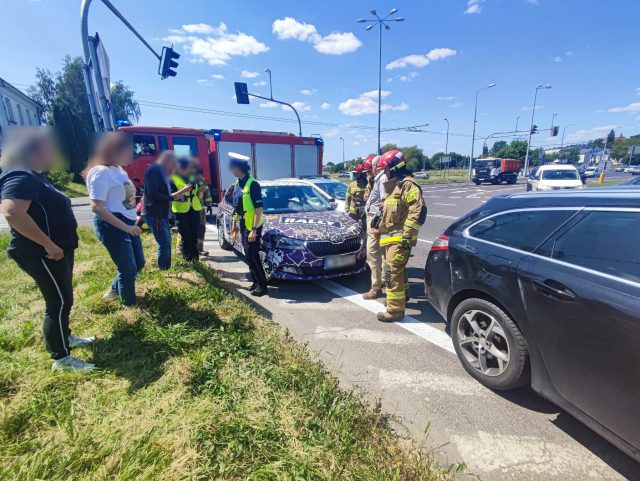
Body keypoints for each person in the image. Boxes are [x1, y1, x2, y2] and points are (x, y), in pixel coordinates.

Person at [0, 128, 94, 372]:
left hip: (55, 250)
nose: (52, 152)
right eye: (48, 147)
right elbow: (12, 212)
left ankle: (66, 337)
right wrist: (48, 244)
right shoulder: (20, 174)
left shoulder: (35, 175)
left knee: (64, 298)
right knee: (58, 301)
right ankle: (61, 358)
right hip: (41, 251)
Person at [85, 132, 145, 306]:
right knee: (127, 268)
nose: (132, 154)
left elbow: (123, 199)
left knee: (138, 262)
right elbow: (96, 206)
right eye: (128, 150)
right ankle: (129, 305)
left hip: (127, 221)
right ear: (114, 150)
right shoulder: (101, 172)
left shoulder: (119, 170)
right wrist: (126, 228)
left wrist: (135, 214)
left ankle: (114, 290)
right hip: (112, 225)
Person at [374, 150, 427, 322]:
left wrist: (407, 235)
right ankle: (400, 298)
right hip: (391, 239)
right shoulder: (395, 186)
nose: (384, 173)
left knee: (392, 272)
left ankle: (395, 311)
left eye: (386, 169)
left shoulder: (407, 185)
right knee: (399, 272)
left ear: (395, 167)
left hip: (400, 239)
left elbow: (418, 211)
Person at [142, 151, 191, 270]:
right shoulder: (154, 171)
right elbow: (153, 193)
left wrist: (177, 196)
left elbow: (163, 194)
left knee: (166, 241)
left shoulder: (160, 172)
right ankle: (164, 269)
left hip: (160, 212)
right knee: (164, 242)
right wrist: (176, 195)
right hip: (155, 213)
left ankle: (165, 267)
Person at [229, 152, 268, 297]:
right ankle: (256, 281)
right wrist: (234, 224)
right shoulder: (237, 184)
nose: (231, 170)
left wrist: (254, 230)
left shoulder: (253, 185)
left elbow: (258, 209)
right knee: (247, 255)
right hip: (244, 224)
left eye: (232, 167)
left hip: (253, 226)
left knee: (253, 254)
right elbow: (237, 207)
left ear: (238, 167)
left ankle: (263, 286)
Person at [171, 158, 200, 261]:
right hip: (181, 212)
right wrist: (183, 192)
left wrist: (200, 192)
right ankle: (187, 259)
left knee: (194, 236)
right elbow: (170, 195)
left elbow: (197, 193)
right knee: (186, 236)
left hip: (194, 210)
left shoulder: (193, 178)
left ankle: (196, 259)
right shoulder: (172, 179)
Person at [190, 157, 213, 257]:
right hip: (188, 209)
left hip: (200, 208)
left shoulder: (200, 179)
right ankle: (186, 249)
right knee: (188, 229)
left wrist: (209, 204)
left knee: (201, 229)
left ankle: (200, 249)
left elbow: (206, 191)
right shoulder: (183, 178)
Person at [345, 163, 368, 229]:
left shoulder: (368, 185)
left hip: (365, 213)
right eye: (354, 174)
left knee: (365, 229)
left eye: (357, 174)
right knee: (353, 229)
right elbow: (348, 197)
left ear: (362, 174)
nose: (355, 175)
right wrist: (347, 209)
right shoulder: (352, 185)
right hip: (353, 213)